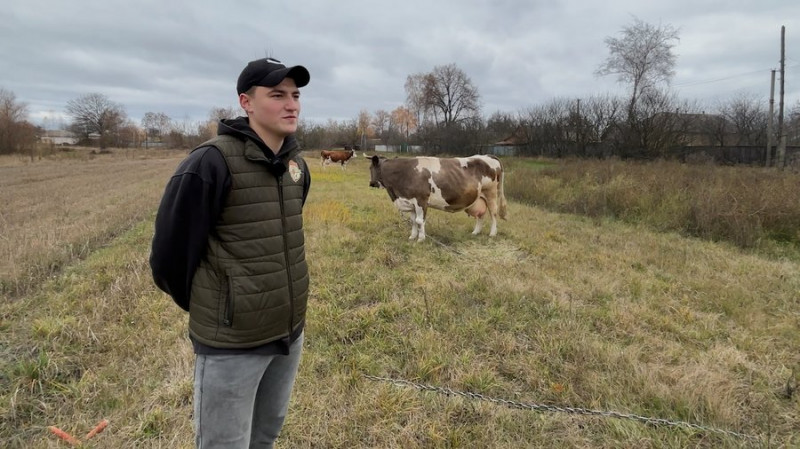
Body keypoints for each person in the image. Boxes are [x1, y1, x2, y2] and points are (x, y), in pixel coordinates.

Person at [149, 57, 311, 449]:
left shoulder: (297, 166)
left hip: (288, 336)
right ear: (246, 102)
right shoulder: (211, 162)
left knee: (265, 437)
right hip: (232, 346)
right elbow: (168, 258)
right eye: (277, 94)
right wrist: (222, 308)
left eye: (295, 95)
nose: (291, 104)